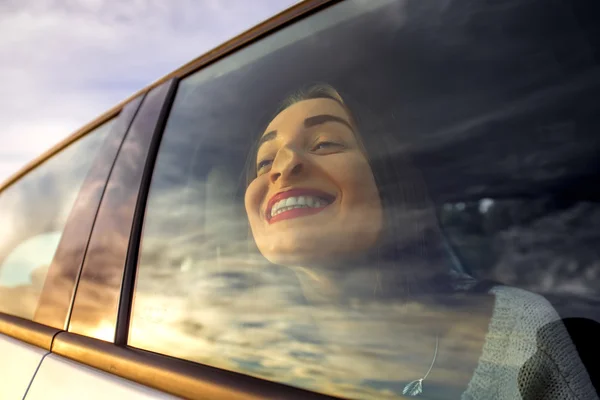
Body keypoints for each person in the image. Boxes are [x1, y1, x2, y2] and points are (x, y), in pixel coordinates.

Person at [243, 84, 597, 399]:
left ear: (389, 184)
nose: (282, 166)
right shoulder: (231, 343)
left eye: (325, 143)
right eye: (265, 161)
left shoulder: (520, 330)